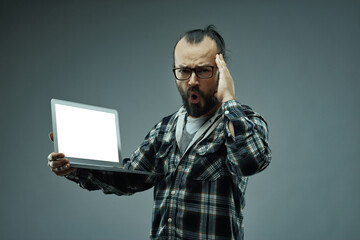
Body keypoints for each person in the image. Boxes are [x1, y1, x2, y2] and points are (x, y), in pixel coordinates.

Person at [48, 25, 271, 240]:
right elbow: (128, 179)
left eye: (203, 70)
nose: (192, 81)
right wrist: (74, 166)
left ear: (222, 72)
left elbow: (250, 162)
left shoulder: (243, 122)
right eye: (183, 71)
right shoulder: (164, 129)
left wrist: (229, 100)